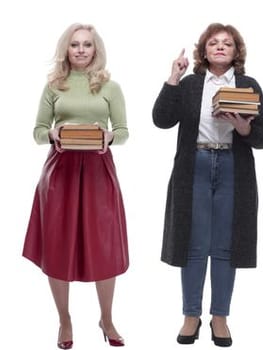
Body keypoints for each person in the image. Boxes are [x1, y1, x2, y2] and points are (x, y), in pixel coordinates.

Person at [153, 22, 263, 348]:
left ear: (236, 52)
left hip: (234, 167)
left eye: (227, 43)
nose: (220, 47)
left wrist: (244, 129)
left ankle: (219, 316)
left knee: (224, 245)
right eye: (214, 43)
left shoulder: (248, 84)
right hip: (196, 166)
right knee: (194, 244)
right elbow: (161, 119)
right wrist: (173, 77)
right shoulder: (191, 84)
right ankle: (191, 315)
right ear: (204, 50)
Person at [25, 23, 129, 350]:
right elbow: (39, 130)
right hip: (61, 172)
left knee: (104, 244)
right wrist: (53, 134)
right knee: (58, 244)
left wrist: (110, 136)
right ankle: (64, 319)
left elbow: (123, 131)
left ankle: (107, 317)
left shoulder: (110, 87)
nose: (81, 50)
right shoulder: (54, 85)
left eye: (87, 45)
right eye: (75, 45)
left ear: (95, 49)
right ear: (66, 50)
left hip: (99, 170)